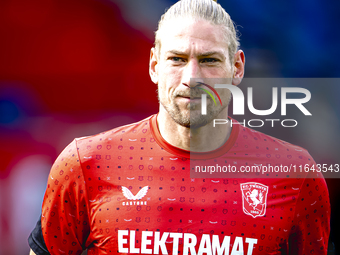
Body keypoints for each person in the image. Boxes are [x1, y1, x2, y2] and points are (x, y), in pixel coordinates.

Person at [28, 0, 330, 254]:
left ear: (237, 68)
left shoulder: (294, 174)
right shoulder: (86, 162)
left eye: (209, 60)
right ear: (154, 65)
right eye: (177, 59)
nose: (192, 77)